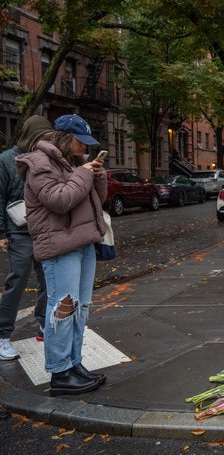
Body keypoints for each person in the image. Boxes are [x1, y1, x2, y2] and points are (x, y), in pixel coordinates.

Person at [15, 114, 108, 396]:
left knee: (80, 308)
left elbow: (93, 200)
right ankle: (59, 372)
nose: (85, 147)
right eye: (82, 141)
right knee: (63, 309)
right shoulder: (39, 163)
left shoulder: (75, 163)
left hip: (82, 242)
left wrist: (98, 177)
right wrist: (84, 174)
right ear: (65, 137)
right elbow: (59, 200)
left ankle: (74, 363)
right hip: (59, 246)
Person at [0, 115, 53, 360]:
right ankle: (2, 335)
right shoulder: (6, 160)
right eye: (43, 137)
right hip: (18, 231)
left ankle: (44, 325)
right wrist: (1, 233)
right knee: (17, 281)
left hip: (42, 230)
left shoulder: (44, 158)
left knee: (48, 280)